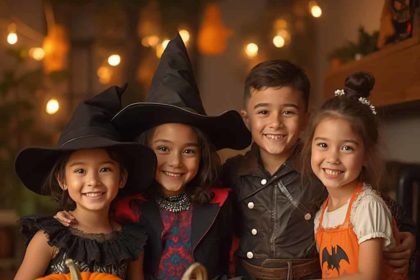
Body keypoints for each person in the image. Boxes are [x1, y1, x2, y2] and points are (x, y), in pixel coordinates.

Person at [56, 34, 252, 280]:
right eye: (163, 148)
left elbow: (232, 261)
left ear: (203, 155)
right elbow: (92, 225)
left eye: (189, 151)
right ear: (145, 148)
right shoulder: (125, 206)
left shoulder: (221, 204)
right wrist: (65, 219)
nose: (176, 162)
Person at [221, 60, 416, 279]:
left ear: (306, 118)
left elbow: (380, 208)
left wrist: (410, 235)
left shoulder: (323, 167)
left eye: (288, 112)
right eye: (264, 112)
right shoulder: (234, 172)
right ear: (246, 119)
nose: (275, 123)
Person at [13, 86, 156, 280]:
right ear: (62, 180)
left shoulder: (131, 243)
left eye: (105, 169)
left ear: (121, 178)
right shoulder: (49, 240)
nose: (93, 181)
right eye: (80, 171)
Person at [301, 72, 407, 279]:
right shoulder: (321, 214)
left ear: (366, 155)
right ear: (310, 146)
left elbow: (368, 276)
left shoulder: (367, 206)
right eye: (323, 145)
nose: (333, 157)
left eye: (347, 148)